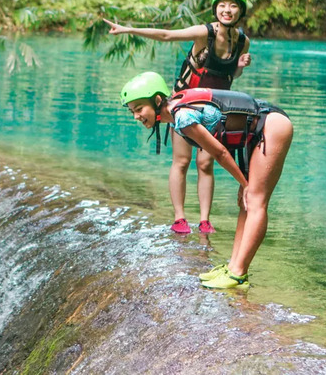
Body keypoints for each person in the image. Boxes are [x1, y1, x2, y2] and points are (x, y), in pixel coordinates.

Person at [119, 72, 293, 289]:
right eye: (132, 111)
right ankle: (234, 266)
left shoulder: (182, 117)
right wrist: (243, 183)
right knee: (245, 203)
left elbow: (219, 152)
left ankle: (238, 274)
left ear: (156, 101)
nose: (136, 116)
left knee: (255, 200)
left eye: (139, 109)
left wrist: (246, 184)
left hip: (271, 126)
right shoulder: (176, 114)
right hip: (257, 130)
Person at [104, 0, 252, 235]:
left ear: (241, 11)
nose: (227, 10)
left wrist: (239, 65)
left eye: (233, 5)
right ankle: (180, 218)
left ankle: (205, 221)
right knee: (181, 161)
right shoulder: (204, 33)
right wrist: (128, 29)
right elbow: (166, 35)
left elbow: (231, 75)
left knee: (206, 163)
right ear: (216, 8)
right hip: (184, 106)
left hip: (213, 110)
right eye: (222, 5)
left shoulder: (242, 41)